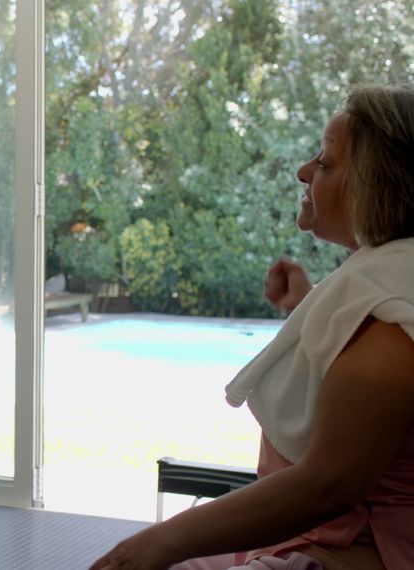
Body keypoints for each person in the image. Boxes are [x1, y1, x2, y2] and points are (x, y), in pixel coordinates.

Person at [91, 84, 414, 570]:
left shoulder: (389, 304)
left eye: (325, 163)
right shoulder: (383, 285)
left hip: (350, 551)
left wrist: (157, 542)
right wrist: (307, 305)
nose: (304, 171)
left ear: (380, 184)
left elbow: (329, 486)